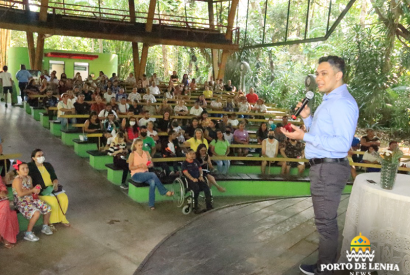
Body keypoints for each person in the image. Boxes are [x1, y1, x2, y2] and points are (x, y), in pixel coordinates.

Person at [280, 56, 358, 275]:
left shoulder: (342, 103)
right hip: (324, 167)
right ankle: (325, 264)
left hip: (329, 168)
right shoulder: (330, 101)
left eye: (324, 73)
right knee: (325, 222)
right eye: (317, 73)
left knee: (326, 224)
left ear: (338, 75)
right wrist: (306, 119)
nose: (318, 78)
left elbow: (342, 144)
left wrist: (304, 136)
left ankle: (325, 269)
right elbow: (320, 133)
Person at [12, 161, 53, 242]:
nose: (25, 170)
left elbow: (30, 189)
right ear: (18, 171)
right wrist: (32, 191)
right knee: (36, 212)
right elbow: (20, 194)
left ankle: (45, 226)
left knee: (47, 208)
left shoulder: (29, 178)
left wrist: (36, 189)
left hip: (30, 199)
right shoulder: (18, 180)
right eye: (23, 168)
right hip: (21, 202)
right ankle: (28, 233)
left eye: (26, 168)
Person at [28, 149, 70, 226]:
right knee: (53, 201)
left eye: (42, 155)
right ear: (33, 158)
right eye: (39, 156)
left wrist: (55, 182)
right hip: (42, 191)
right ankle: (51, 221)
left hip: (52, 188)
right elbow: (20, 168)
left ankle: (62, 218)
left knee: (64, 198)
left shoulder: (48, 165)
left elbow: (54, 177)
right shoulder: (30, 167)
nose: (41, 157)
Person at [128, 139, 173, 210]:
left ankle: (151, 204)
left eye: (141, 145)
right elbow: (130, 167)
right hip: (136, 175)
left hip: (146, 173)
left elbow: (151, 164)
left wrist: (148, 165)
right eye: (139, 145)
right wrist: (139, 166)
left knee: (152, 182)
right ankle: (163, 191)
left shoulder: (146, 153)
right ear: (135, 145)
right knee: (152, 174)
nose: (140, 146)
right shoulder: (132, 154)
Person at [182, 149, 213, 214]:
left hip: (198, 179)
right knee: (196, 189)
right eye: (190, 154)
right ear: (186, 155)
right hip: (190, 180)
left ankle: (209, 206)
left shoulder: (196, 161)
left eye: (193, 154)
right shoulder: (184, 163)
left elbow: (200, 170)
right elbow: (186, 173)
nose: (192, 155)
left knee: (207, 188)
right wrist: (192, 179)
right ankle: (195, 208)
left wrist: (201, 176)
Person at [0, 176, 19, 249]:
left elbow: (3, 187)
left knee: (5, 205)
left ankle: (4, 237)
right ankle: (5, 238)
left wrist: (3, 191)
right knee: (5, 212)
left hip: (2, 202)